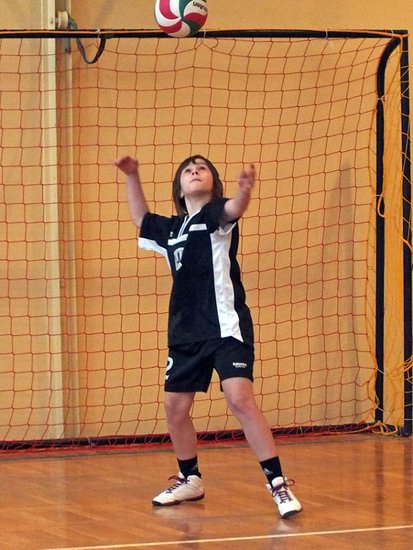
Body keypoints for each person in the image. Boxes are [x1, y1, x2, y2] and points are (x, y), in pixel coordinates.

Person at [114, 154, 303, 519]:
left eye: (201, 168)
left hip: (226, 327)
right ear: (179, 188)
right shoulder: (172, 230)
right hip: (185, 333)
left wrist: (244, 191)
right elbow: (140, 218)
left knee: (240, 399)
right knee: (175, 408)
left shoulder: (216, 216)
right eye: (188, 170)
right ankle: (190, 479)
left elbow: (234, 208)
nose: (195, 172)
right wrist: (132, 175)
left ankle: (278, 484)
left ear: (214, 184)